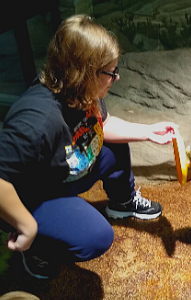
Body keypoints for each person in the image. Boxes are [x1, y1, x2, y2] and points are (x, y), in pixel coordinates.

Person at [0, 15, 177, 279]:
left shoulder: (82, 91)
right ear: (84, 72)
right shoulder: (36, 120)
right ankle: (37, 244)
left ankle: (122, 201)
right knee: (97, 237)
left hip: (62, 169)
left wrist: (148, 132)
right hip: (31, 197)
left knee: (112, 145)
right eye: (110, 72)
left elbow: (102, 124)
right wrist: (26, 226)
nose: (116, 78)